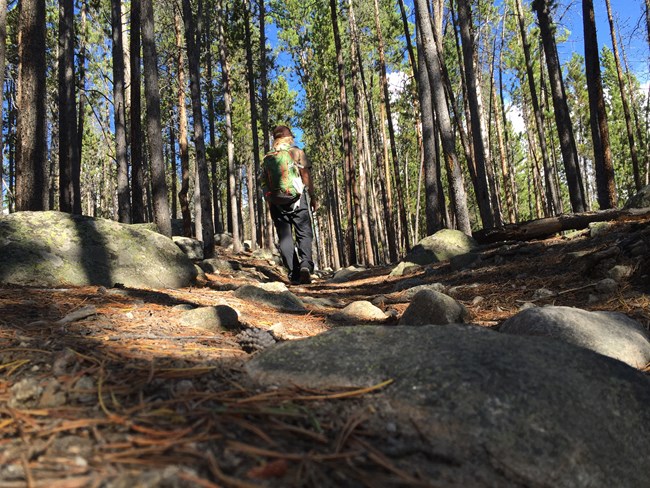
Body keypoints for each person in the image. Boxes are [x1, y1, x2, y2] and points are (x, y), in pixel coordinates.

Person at [262, 125, 318, 285]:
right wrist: (312, 196)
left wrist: (271, 202)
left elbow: (264, 183)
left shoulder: (267, 157)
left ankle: (294, 275)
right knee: (304, 233)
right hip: (297, 199)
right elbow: (305, 175)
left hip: (276, 202)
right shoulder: (296, 152)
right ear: (289, 137)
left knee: (285, 237)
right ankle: (305, 265)